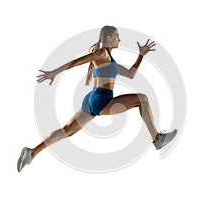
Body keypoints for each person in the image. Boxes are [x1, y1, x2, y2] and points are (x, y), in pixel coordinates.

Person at [17, 25, 177, 172]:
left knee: (67, 131)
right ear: (107, 38)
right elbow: (77, 61)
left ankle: (31, 153)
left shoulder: (109, 59)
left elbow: (130, 74)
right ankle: (157, 139)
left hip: (92, 99)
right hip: (102, 100)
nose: (119, 39)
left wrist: (141, 55)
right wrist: (54, 72)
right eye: (116, 36)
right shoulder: (101, 54)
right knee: (142, 99)